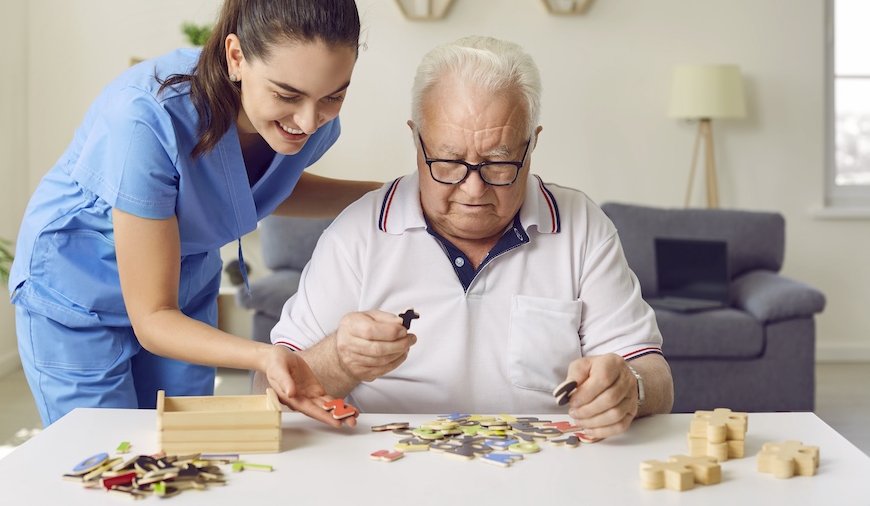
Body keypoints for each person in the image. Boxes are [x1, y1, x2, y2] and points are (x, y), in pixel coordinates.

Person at [9, 0, 378, 428]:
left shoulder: (307, 122)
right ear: (236, 56)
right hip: (78, 292)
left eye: (334, 95)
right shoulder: (147, 119)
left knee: (187, 445)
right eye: (287, 95)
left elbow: (263, 187)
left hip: (182, 289)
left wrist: (394, 193)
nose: (309, 121)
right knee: (109, 456)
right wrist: (265, 357)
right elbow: (153, 316)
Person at [261, 35, 674, 439]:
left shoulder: (582, 226)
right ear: (415, 139)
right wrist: (339, 360)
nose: (473, 190)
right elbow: (264, 393)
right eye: (448, 160)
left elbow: (656, 378)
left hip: (545, 473)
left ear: (532, 144)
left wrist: (630, 387)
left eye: (499, 162)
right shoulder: (357, 232)